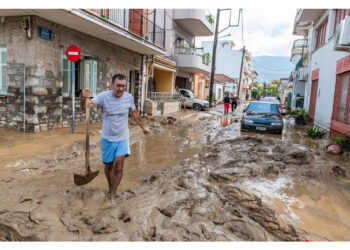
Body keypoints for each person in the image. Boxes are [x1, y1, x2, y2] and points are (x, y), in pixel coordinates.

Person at [81, 74, 150, 201]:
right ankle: (110, 186)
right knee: (108, 166)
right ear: (112, 85)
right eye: (118, 85)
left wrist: (143, 126)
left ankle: (113, 193)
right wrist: (83, 98)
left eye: (123, 86)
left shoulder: (129, 98)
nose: (120, 89)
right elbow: (86, 106)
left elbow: (134, 113)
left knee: (118, 165)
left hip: (123, 137)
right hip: (107, 138)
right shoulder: (103, 96)